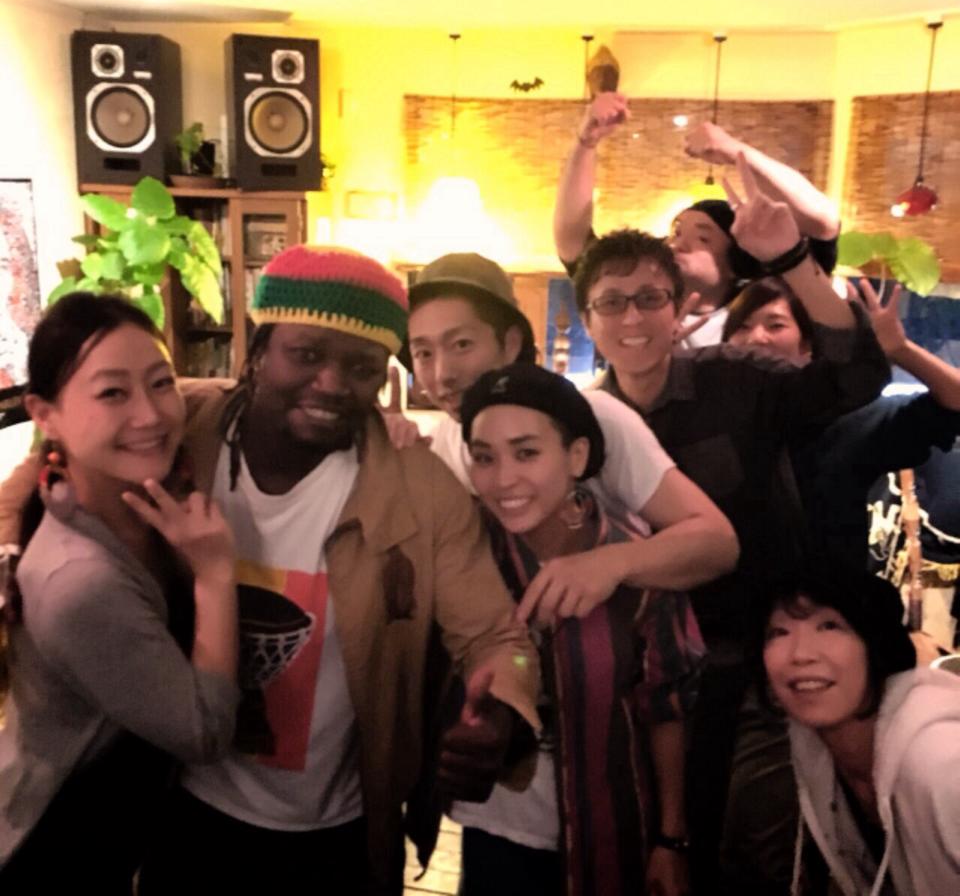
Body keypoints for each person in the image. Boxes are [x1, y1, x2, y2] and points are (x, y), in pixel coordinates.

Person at [114, 245, 537, 896]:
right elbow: (70, 443)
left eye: (362, 367)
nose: (334, 383)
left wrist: (502, 709)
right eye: (307, 354)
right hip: (182, 806)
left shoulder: (422, 490)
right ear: (260, 349)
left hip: (339, 835)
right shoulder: (183, 431)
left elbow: (497, 638)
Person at [572, 161, 890, 893]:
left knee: (758, 852)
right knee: (649, 851)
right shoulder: (583, 422)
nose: (631, 319)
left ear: (678, 305)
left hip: (750, 670)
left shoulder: (738, 379)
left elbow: (854, 377)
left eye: (649, 298)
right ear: (587, 319)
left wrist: (792, 260)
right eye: (611, 303)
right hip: (642, 679)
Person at [0, 293, 239, 893]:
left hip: (112, 832)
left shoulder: (132, 500)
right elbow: (204, 733)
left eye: (160, 383)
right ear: (44, 413)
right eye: (112, 393)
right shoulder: (79, 582)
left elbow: (222, 395)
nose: (150, 414)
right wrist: (214, 575)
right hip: (53, 849)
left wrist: (377, 421)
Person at [454, 363, 704, 896]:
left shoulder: (638, 564)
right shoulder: (465, 553)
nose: (503, 479)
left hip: (611, 834)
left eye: (527, 453)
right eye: (484, 457)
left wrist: (672, 838)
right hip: (493, 831)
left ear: (577, 456)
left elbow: (666, 709)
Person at [402, 251, 738, 626]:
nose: (442, 374)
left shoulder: (594, 417)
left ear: (510, 343)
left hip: (623, 637)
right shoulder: (441, 444)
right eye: (423, 352)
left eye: (462, 344)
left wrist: (608, 563)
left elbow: (717, 541)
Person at [722, 274, 960, 577]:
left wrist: (901, 349)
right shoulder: (708, 419)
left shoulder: (849, 422)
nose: (756, 337)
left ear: (808, 345)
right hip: (726, 598)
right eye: (742, 326)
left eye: (775, 325)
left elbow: (954, 401)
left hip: (828, 598)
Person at [554, 97, 840, 345]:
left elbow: (823, 222)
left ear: (736, 261)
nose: (679, 243)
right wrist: (585, 143)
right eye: (676, 231)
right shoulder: (640, 305)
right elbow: (573, 242)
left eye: (704, 238)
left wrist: (734, 151)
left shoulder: (762, 310)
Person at [754, 569, 960, 895]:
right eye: (779, 632)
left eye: (829, 626)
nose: (800, 654)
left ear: (875, 645)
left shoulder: (941, 763)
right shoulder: (815, 747)